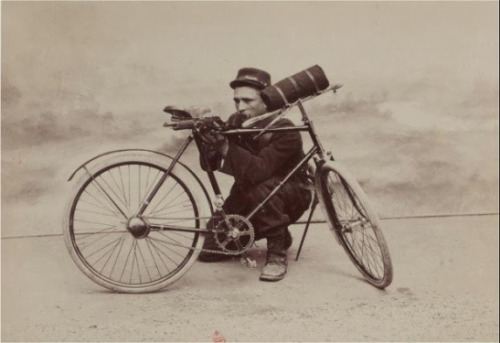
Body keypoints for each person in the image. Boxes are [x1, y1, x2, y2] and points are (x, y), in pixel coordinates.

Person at [197, 67, 311, 281]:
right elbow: (211, 165)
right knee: (210, 249)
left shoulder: (286, 131)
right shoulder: (237, 122)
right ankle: (280, 233)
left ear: (267, 100)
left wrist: (226, 146)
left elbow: (259, 171)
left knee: (261, 187)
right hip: (249, 193)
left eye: (248, 101)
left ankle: (277, 252)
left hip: (290, 194)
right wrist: (210, 144)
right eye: (236, 101)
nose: (240, 107)